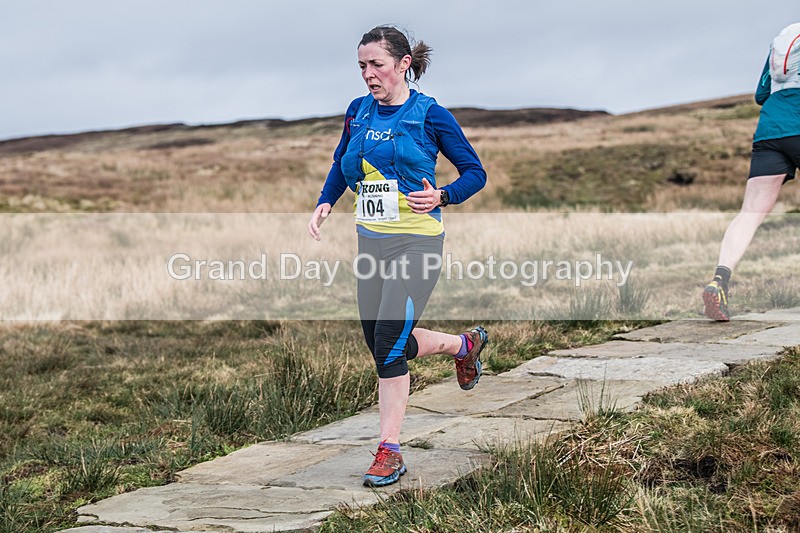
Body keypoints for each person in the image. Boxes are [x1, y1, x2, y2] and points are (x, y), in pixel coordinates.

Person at [307, 25, 489, 487]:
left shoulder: (430, 115)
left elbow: (475, 172)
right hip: (372, 244)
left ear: (403, 64)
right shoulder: (357, 112)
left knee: (389, 338)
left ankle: (389, 450)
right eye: (362, 66)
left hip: (418, 243)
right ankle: (462, 345)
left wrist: (443, 196)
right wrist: (326, 200)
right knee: (382, 345)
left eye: (378, 65)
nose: (369, 74)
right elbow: (341, 161)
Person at [703, 22, 800, 321]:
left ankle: (719, 280)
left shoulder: (785, 36)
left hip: (770, 132)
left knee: (749, 215)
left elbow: (762, 93)